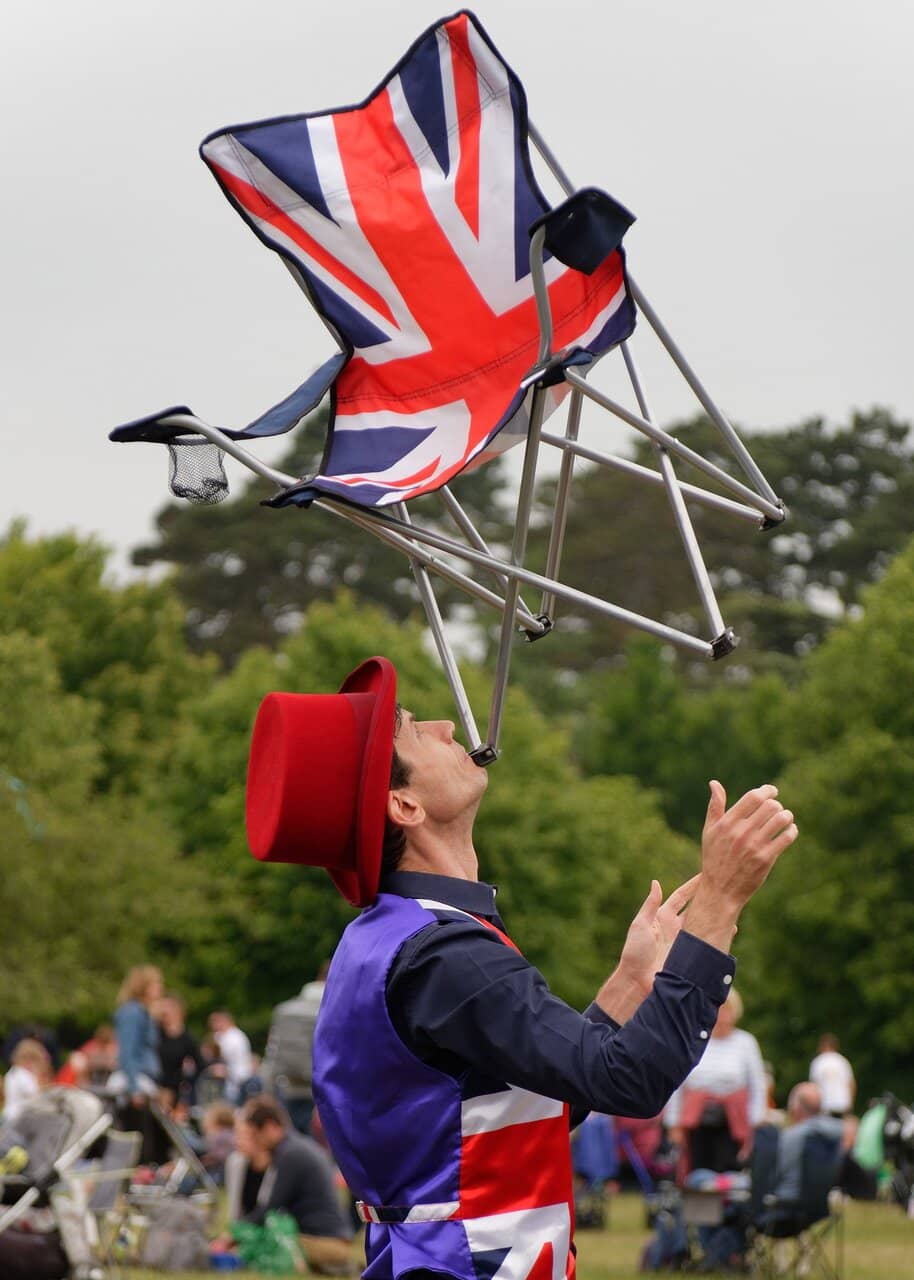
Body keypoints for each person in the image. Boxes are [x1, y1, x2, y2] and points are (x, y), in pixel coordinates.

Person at [244, 656, 798, 1280]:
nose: (446, 727)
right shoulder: (444, 953)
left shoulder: (391, 939)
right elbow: (631, 1082)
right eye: (414, 730)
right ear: (403, 804)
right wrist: (718, 904)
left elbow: (526, 1108)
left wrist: (629, 983)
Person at [219, 1094, 354, 1273]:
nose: (257, 1140)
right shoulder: (297, 1147)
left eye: (257, 1134)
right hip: (332, 1239)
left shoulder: (291, 1154)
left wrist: (234, 1235)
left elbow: (271, 1208)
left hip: (324, 1243)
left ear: (270, 1127)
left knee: (263, 1243)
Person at [665, 988, 768, 1174]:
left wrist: (755, 1121)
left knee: (730, 1172)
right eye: (718, 1009)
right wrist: (673, 1123)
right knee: (696, 1172)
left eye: (727, 1010)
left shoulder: (746, 1042)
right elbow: (676, 1084)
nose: (722, 1016)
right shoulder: (693, 1039)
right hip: (696, 1121)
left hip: (732, 1122)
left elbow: (758, 1085)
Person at [261, 962, 329, 1134]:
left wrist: (267, 1088)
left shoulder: (284, 1010)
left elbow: (272, 1050)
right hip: (318, 1091)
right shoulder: (330, 1009)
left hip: (286, 1085)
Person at [109, 965, 167, 1165]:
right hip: (135, 1083)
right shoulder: (132, 1013)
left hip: (144, 1080)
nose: (160, 988)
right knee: (140, 1139)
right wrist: (134, 1088)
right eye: (156, 984)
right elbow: (127, 1053)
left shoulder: (143, 1013)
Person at [773, 1082, 850, 1202]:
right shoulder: (838, 1131)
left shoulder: (789, 1137)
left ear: (796, 1108)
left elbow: (776, 1174)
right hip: (820, 1203)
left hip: (789, 1200)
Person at [157, 994, 204, 1110]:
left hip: (173, 1091)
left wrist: (186, 1084)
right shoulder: (156, 1033)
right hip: (154, 1087)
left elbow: (200, 1065)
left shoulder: (187, 1039)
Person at [207, 1011, 253, 1104]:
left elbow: (231, 1061)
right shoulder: (223, 1036)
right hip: (232, 1080)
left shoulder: (234, 1037)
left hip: (238, 1080)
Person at [3, 1038, 52, 1121]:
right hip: (18, 1118)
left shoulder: (13, 1072)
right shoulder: (23, 1074)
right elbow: (37, 1095)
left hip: (11, 1115)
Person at [809, 1033, 856, 1117]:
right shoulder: (842, 1061)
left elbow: (813, 1087)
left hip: (824, 1105)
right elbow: (851, 1083)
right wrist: (850, 1104)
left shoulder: (818, 1062)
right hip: (842, 1104)